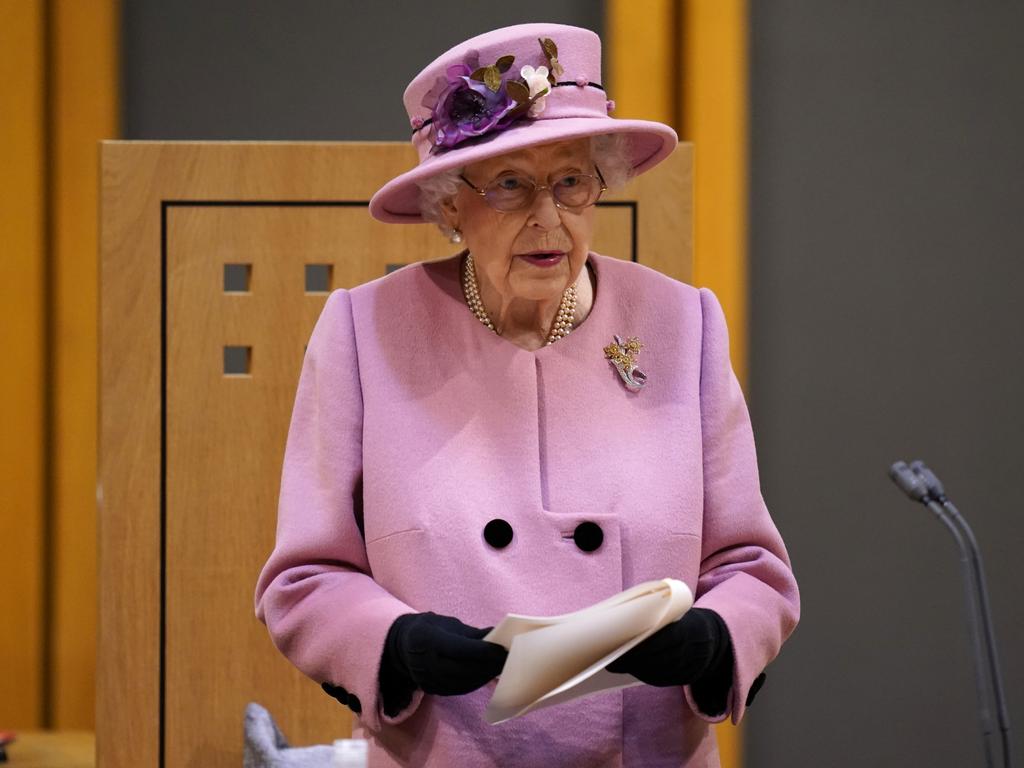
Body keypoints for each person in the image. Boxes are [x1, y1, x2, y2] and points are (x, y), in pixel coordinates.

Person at [254, 22, 799, 767]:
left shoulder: (682, 324)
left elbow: (753, 569)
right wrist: (393, 643)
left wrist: (718, 637)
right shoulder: (365, 331)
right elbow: (304, 578)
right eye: (510, 184)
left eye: (571, 181)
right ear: (450, 206)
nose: (549, 218)